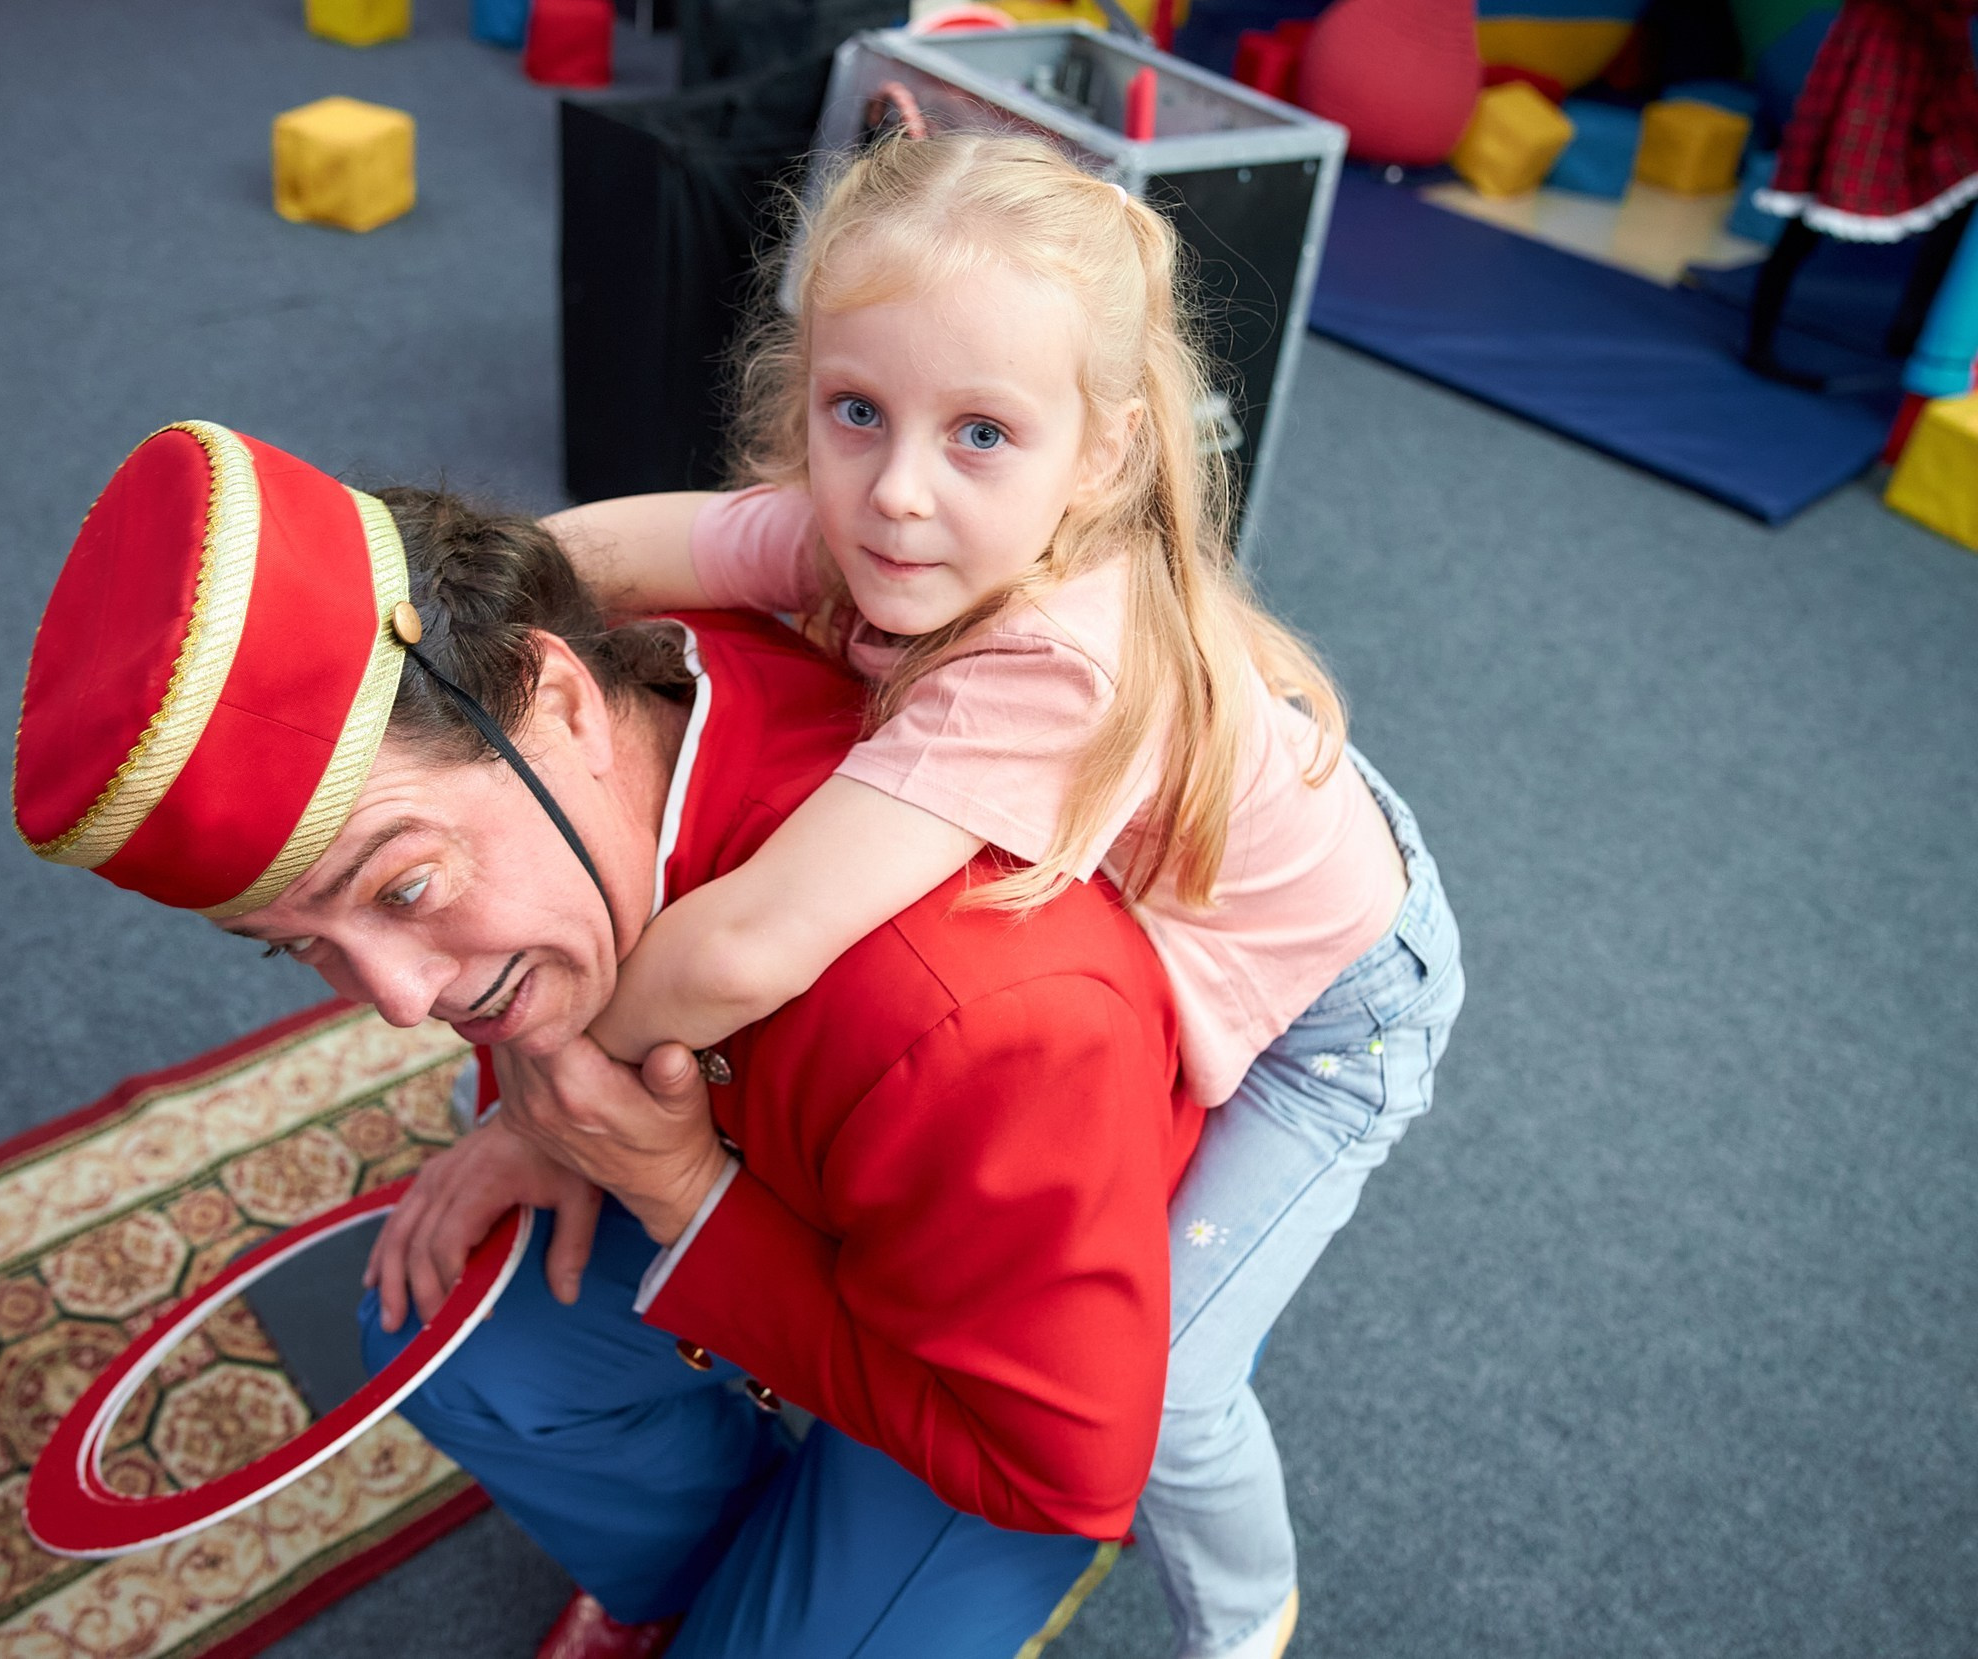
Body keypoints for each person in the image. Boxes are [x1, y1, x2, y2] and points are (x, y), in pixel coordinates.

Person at [9, 420, 1204, 1657]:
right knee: (433, 1319)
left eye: (402, 891)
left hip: (1016, 1330)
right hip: (802, 1178)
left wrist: (679, 1190)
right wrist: (550, 1126)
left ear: (564, 701)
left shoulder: (981, 1021)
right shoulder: (623, 710)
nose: (400, 1001)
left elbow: (1051, 1470)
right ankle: (704, 1571)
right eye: (303, 941)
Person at [544, 132, 1464, 1659]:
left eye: (981, 433)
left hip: (1341, 1007)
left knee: (1162, 1372)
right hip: (1245, 863)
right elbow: (640, 546)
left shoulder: (1049, 649)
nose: (899, 490)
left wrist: (560, 1075)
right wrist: (443, 586)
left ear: (1095, 458)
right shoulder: (876, 530)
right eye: (858, 413)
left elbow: (753, 941)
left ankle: (1246, 1624)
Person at [1743, 0, 1978, 388]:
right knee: (1817, 209)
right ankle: (1759, 344)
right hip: (1874, 75)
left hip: (1934, 75)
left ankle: (1911, 329)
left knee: (1960, 185)